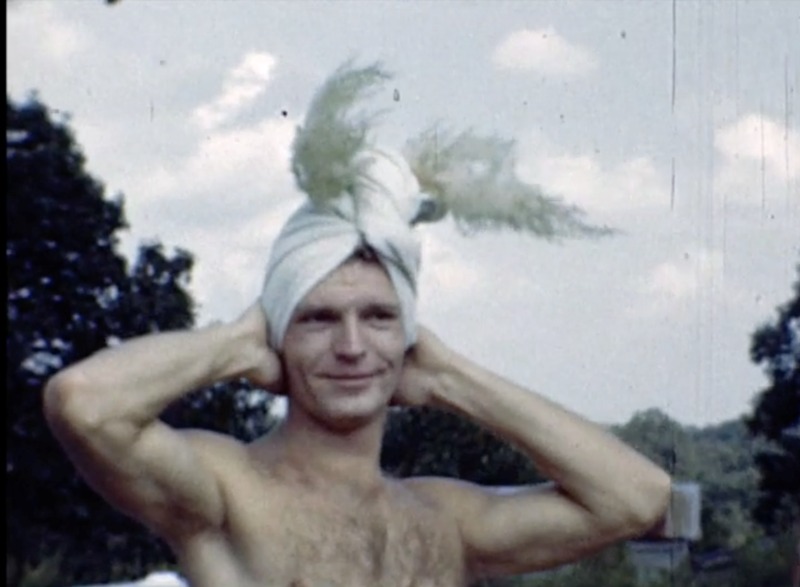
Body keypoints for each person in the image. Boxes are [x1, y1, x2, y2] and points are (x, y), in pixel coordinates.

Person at [44, 63, 672, 587]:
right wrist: (238, 345)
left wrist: (449, 377)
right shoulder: (226, 490)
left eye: (378, 317)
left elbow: (637, 497)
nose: (350, 346)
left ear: (410, 337)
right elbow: (84, 404)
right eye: (318, 318)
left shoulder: (443, 520)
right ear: (277, 333)